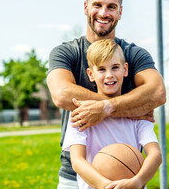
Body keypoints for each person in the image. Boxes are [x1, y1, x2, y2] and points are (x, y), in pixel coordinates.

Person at [47, 0, 166, 189]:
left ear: (120, 11)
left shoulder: (133, 54)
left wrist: (107, 107)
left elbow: (157, 92)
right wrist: (128, 107)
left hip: (128, 171)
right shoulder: (67, 52)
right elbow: (62, 94)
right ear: (85, 7)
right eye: (97, 5)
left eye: (111, 7)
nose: (103, 13)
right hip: (75, 178)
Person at [63, 39, 162, 189]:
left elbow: (155, 154)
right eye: (101, 69)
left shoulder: (138, 114)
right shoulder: (80, 116)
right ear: (90, 74)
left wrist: (138, 181)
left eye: (115, 67)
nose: (109, 75)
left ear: (125, 69)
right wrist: (107, 186)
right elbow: (77, 161)